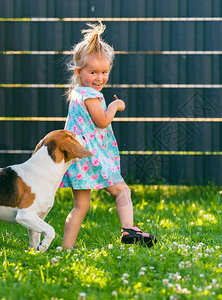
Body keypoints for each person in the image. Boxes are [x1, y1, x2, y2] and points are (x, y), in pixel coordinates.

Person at [60, 21, 157, 249]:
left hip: (78, 158)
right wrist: (115, 107)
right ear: (79, 72)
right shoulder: (91, 95)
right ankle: (128, 230)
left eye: (104, 72)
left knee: (80, 206)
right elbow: (102, 122)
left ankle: (67, 247)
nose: (99, 78)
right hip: (92, 157)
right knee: (122, 189)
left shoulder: (77, 93)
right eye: (93, 72)